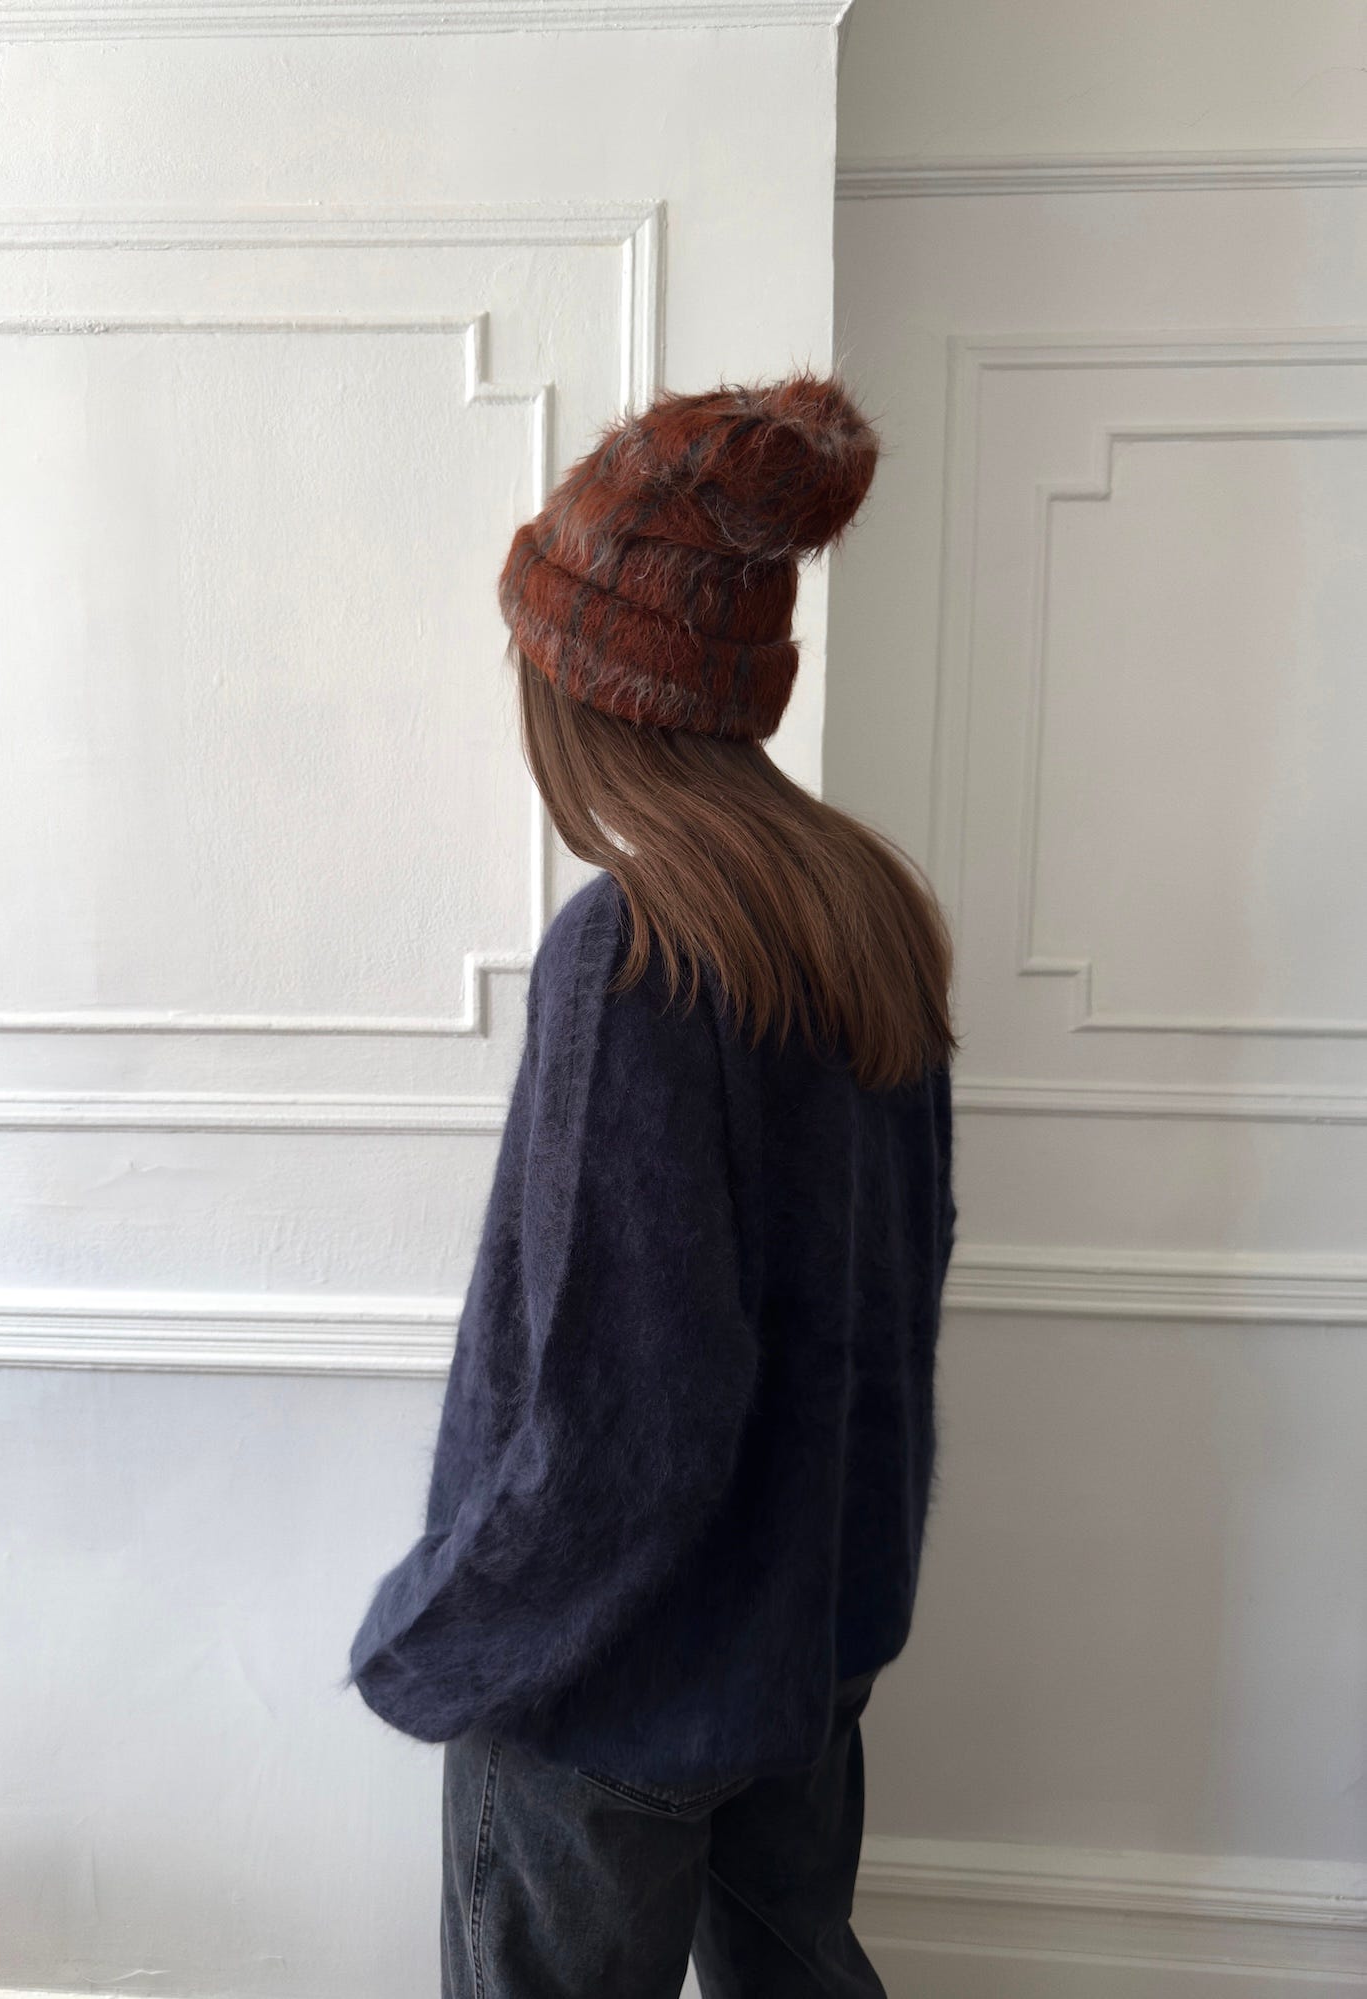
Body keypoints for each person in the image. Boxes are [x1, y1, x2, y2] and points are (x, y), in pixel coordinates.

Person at [345, 369, 958, 1998]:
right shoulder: (867, 912)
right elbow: (902, 1302)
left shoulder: (633, 953)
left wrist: (445, 1628)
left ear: (585, 690)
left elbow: (629, 1405)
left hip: (608, 1685)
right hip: (803, 1653)